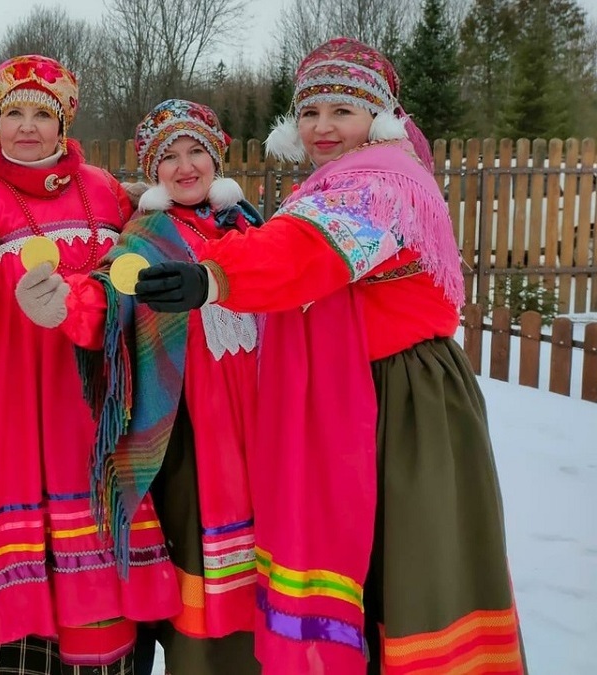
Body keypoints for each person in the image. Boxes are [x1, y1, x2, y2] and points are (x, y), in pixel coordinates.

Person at [130, 38, 526, 674]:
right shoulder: (350, 176)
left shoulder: (379, 182)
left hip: (397, 399)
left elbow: (308, 249)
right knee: (378, 568)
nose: (322, 128)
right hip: (368, 388)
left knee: (408, 564)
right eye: (310, 113)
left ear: (379, 116)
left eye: (342, 111)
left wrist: (213, 277)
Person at [0, 54, 180, 674]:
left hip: (89, 403)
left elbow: (131, 284)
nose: (28, 126)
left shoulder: (106, 192)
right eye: (14, 112)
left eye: (44, 112)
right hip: (8, 401)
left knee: (88, 557)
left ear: (65, 122)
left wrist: (84, 303)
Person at [16, 99, 264, 675]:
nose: (185, 167)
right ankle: (202, 661)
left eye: (195, 151)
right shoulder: (149, 234)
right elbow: (106, 294)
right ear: (153, 171)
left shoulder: (247, 223)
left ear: (216, 155)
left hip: (257, 423)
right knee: (200, 546)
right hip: (190, 425)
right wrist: (62, 306)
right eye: (168, 157)